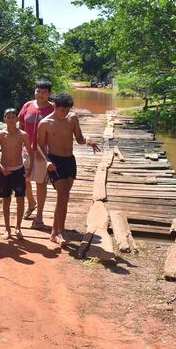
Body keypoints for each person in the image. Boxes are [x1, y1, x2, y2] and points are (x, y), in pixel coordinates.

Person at [36, 93, 100, 246]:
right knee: (63, 195)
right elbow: (39, 145)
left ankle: (54, 232)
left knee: (63, 197)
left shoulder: (72, 119)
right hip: (55, 161)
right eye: (62, 111)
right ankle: (60, 233)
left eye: (67, 111)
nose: (64, 114)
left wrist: (88, 141)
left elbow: (79, 138)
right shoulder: (45, 123)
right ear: (55, 107)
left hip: (69, 161)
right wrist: (47, 161)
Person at [0, 108, 34, 240]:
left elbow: (31, 153)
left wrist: (30, 169)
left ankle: (18, 227)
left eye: (13, 117)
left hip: (19, 170)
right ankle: (7, 229)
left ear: (17, 119)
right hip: (4, 171)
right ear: (4, 119)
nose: (10, 119)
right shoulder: (0, 135)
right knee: (6, 200)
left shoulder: (23, 134)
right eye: (8, 117)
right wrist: (1, 168)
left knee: (20, 199)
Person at [18, 79, 55, 229]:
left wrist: (47, 152)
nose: (40, 94)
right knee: (24, 180)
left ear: (49, 94)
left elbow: (55, 132)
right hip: (26, 151)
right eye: (38, 91)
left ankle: (39, 216)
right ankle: (31, 202)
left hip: (42, 153)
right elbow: (20, 126)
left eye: (44, 92)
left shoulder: (53, 109)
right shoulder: (27, 105)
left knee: (40, 183)